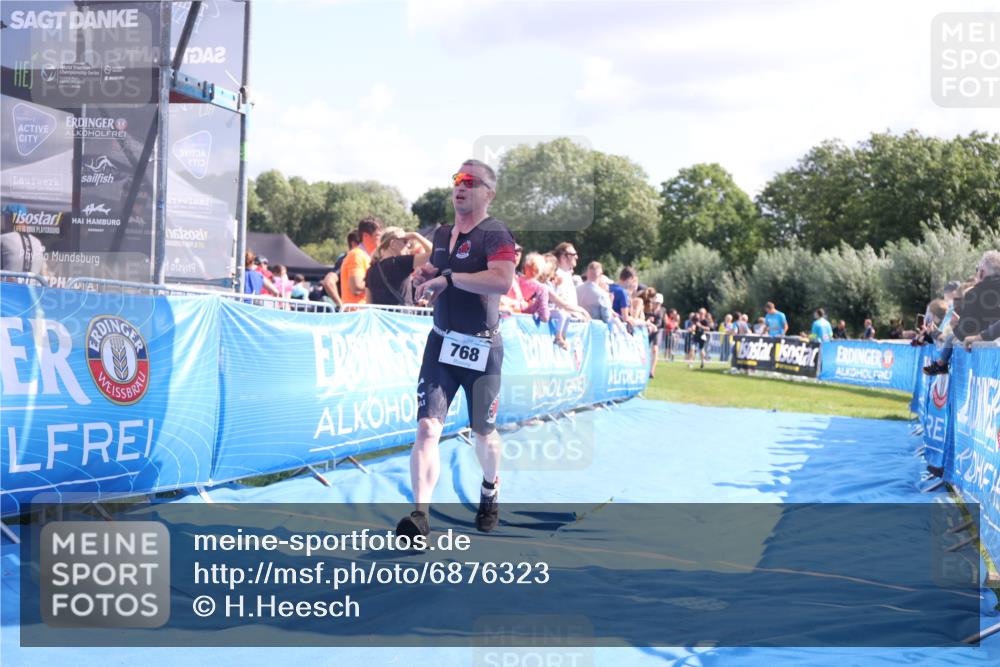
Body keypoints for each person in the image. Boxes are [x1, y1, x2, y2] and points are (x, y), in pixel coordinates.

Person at [397, 160, 516, 539]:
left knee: (483, 433)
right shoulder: (443, 233)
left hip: (483, 347)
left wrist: (449, 280)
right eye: (457, 180)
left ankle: (490, 487)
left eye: (470, 181)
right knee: (428, 428)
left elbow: (502, 281)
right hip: (442, 342)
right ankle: (420, 515)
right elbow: (438, 267)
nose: (460, 187)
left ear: (488, 193)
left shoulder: (496, 234)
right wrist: (426, 276)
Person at [925, 251, 1000, 374]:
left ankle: (940, 365)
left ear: (981, 273)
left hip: (986, 360)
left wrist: (955, 326)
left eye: (977, 269)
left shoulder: (974, 294)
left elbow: (965, 333)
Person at [365, 228, 433, 306]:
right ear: (393, 244)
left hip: (380, 317)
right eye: (405, 241)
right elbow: (434, 253)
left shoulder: (371, 270)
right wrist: (415, 235)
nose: (408, 245)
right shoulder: (400, 262)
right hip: (401, 317)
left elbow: (368, 303)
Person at [340, 216, 384, 307]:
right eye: (378, 236)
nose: (381, 240)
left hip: (364, 314)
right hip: (357, 314)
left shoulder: (366, 256)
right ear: (365, 236)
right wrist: (380, 280)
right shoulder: (357, 255)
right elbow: (356, 288)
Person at [1, 204, 47, 277]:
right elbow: (45, 274)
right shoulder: (37, 242)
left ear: (9, 219)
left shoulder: (3, 239)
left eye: (5, 218)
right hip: (32, 288)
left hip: (7, 288)